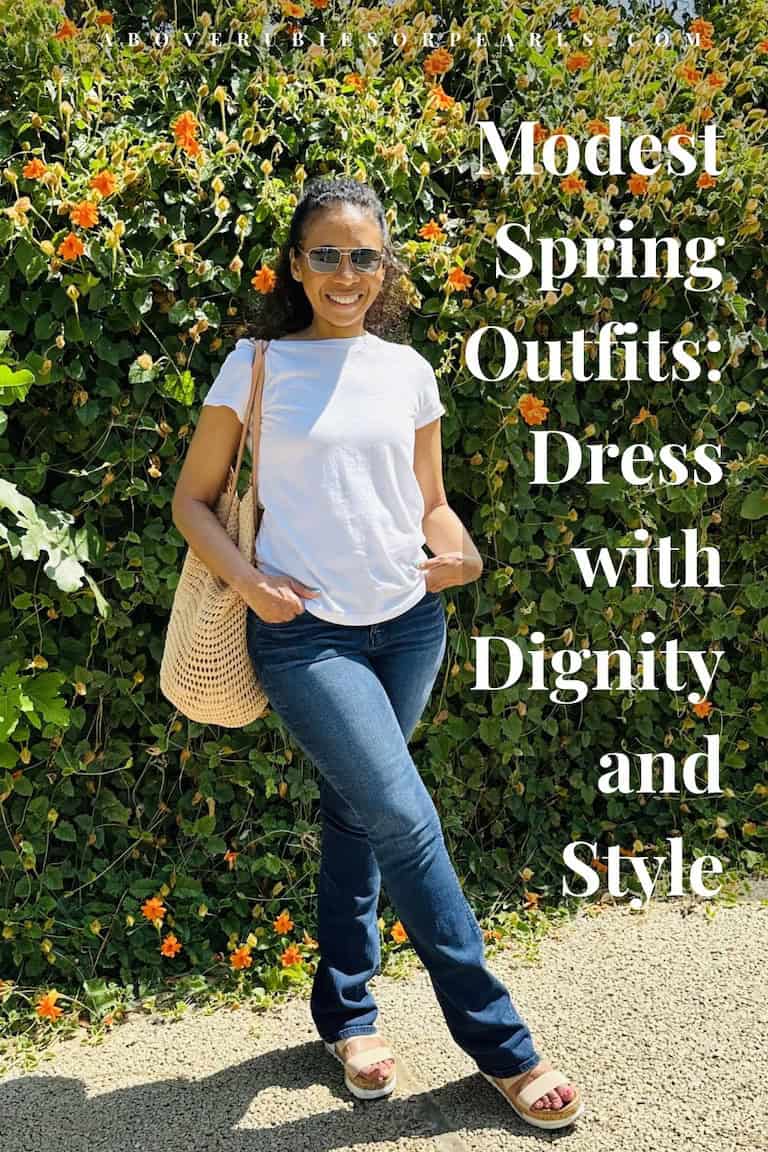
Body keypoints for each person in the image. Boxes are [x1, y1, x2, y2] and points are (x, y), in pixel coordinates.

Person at [171, 176, 583, 1130]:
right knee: (403, 816)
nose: (347, 273)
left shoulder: (408, 371)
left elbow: (426, 498)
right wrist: (250, 584)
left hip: (409, 622)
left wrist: (458, 546)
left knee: (358, 813)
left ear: (385, 264)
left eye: (364, 255)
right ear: (296, 265)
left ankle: (345, 1016)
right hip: (304, 634)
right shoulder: (258, 363)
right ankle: (505, 1048)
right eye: (327, 254)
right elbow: (194, 499)